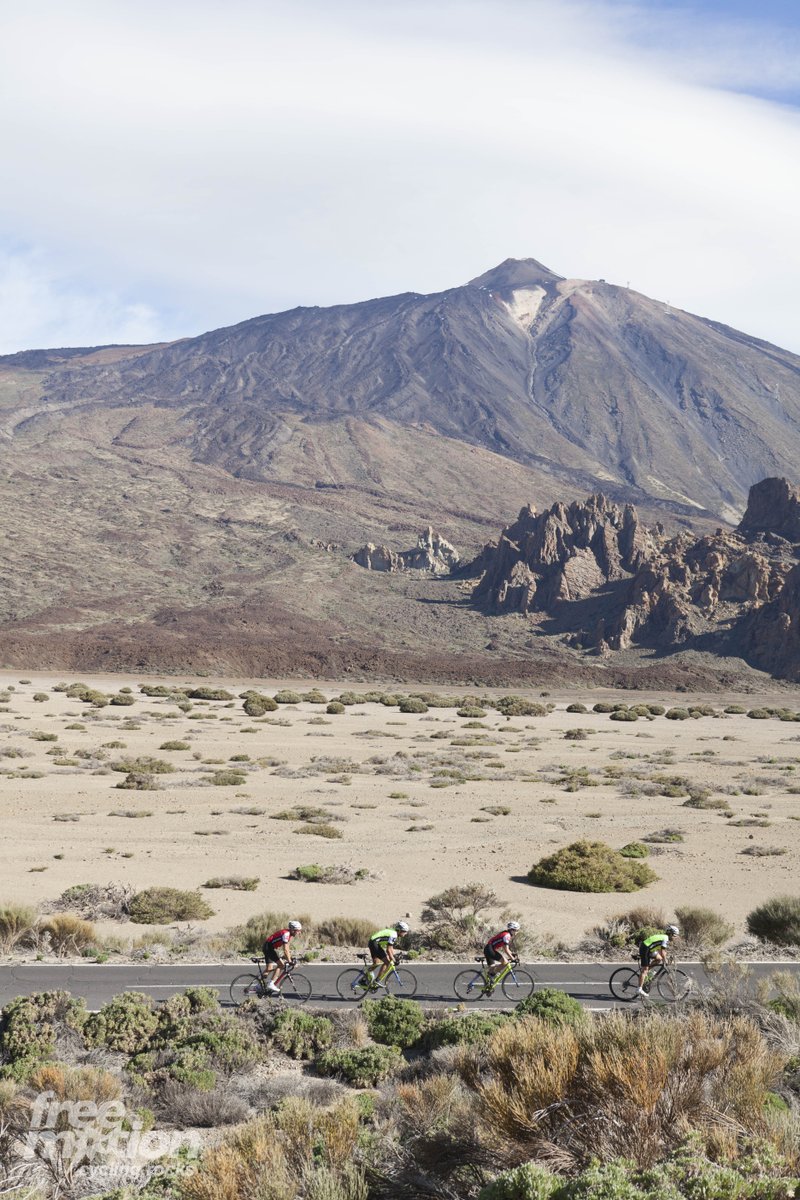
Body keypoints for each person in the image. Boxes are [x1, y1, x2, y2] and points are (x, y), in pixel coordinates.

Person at [638, 924, 679, 996]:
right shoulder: (665, 938)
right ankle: (639, 989)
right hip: (645, 948)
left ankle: (648, 972)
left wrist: (665, 958)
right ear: (671, 934)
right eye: (675, 935)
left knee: (659, 959)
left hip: (650, 948)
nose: (675, 937)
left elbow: (662, 952)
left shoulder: (664, 938)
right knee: (645, 969)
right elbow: (663, 952)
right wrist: (665, 960)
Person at [263, 920, 303, 994]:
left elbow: (287, 950)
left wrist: (289, 958)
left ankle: (259, 985)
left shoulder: (288, 934)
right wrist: (290, 961)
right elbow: (286, 950)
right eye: (298, 931)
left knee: (269, 968)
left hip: (269, 947)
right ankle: (271, 983)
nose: (299, 933)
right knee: (281, 965)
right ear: (293, 930)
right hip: (268, 948)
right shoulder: (286, 934)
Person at [366, 921, 410, 985]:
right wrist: (393, 960)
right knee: (387, 962)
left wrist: (393, 956)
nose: (406, 933)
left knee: (377, 963)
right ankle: (377, 980)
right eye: (405, 931)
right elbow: (388, 950)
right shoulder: (394, 935)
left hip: (374, 942)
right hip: (374, 943)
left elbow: (391, 947)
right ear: (400, 931)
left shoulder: (394, 932)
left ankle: (365, 977)